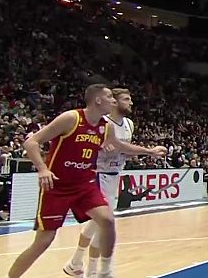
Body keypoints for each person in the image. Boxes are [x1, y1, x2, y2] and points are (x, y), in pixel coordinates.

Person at [8, 84, 166, 278]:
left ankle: (105, 271)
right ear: (98, 100)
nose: (113, 101)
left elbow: (119, 145)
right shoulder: (71, 118)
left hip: (85, 184)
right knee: (43, 242)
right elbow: (31, 142)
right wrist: (42, 169)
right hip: (58, 185)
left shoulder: (105, 126)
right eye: (110, 97)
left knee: (107, 220)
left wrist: (149, 151)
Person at [64, 88, 138, 278]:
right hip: (98, 173)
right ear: (114, 102)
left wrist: (130, 151)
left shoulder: (129, 124)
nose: (131, 103)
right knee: (103, 222)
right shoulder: (103, 124)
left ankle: (77, 263)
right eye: (127, 99)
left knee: (97, 223)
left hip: (115, 174)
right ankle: (93, 271)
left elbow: (125, 149)